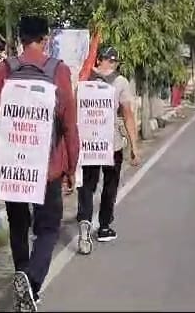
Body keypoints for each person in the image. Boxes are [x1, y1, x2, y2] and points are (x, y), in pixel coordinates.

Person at [0, 15, 80, 312]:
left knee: (18, 226)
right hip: (48, 168)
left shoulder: (4, 70)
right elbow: (69, 125)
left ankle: (22, 281)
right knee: (48, 228)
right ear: (46, 38)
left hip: (14, 166)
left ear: (20, 39)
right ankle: (31, 279)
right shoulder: (58, 71)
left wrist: (13, 142)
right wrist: (71, 167)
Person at [76, 46, 139, 255]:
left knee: (87, 185)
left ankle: (85, 220)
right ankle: (103, 227)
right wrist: (134, 147)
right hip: (111, 144)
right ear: (114, 62)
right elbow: (128, 115)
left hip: (88, 143)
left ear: (99, 60)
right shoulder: (120, 82)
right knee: (110, 186)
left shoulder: (84, 78)